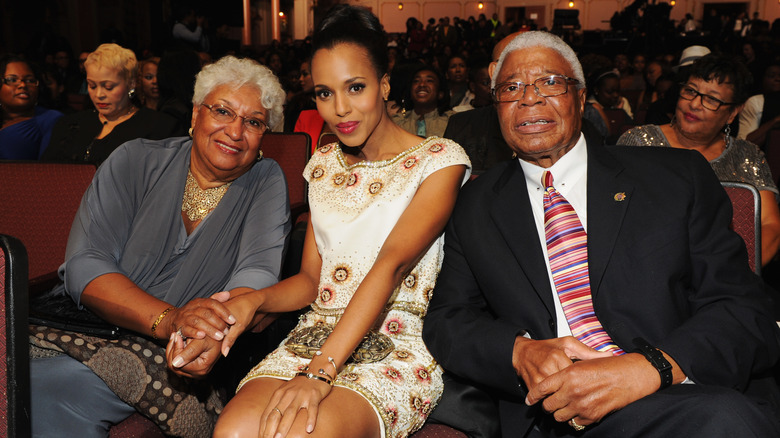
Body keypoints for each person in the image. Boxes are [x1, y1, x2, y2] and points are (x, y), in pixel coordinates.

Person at [423, 31, 780, 438]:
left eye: (550, 82)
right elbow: (448, 320)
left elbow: (744, 310)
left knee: (725, 421)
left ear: (580, 97)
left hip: (675, 400)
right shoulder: (475, 202)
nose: (529, 98)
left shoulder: (675, 178)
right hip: (552, 415)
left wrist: (650, 368)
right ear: (496, 106)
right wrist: (519, 351)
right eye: (511, 87)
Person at [171, 5, 471, 438]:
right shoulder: (323, 164)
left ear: (384, 85)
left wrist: (319, 374)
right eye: (324, 93)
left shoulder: (440, 161)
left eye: (355, 88)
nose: (340, 109)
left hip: (393, 342)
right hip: (312, 335)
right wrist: (251, 302)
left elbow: (392, 265)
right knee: (232, 430)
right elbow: (311, 281)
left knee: (301, 433)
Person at [29, 55, 290, 437]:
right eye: (222, 111)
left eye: (253, 122)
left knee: (50, 388)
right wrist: (170, 319)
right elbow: (86, 264)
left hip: (185, 350)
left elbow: (256, 275)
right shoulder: (135, 160)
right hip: (87, 325)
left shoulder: (265, 181)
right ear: (196, 114)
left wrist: (205, 332)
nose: (235, 131)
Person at [619, 53, 780, 266]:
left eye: (711, 99)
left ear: (733, 112)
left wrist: (732, 276)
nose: (694, 104)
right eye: (690, 91)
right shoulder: (639, 142)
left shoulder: (746, 155)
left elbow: (770, 226)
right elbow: (615, 218)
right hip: (646, 272)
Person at [42, 43, 182, 165]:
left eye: (108, 87)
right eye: (92, 86)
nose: (99, 95)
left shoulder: (160, 127)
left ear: (131, 83)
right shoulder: (69, 124)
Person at [0, 54, 63, 159]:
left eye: (30, 80)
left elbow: (49, 168)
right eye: (12, 80)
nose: (23, 85)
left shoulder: (51, 119)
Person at [392, 65, 453, 137]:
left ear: (440, 94)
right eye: (416, 81)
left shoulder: (452, 121)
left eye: (429, 81)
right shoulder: (396, 123)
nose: (422, 84)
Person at [583, 68, 633, 143]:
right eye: (610, 92)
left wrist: (619, 112)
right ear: (596, 90)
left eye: (617, 91)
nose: (615, 95)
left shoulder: (623, 101)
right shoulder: (590, 108)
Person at [739, 61, 780, 150]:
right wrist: (774, 122)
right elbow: (744, 145)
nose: (777, 79)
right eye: (772, 76)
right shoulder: (756, 102)